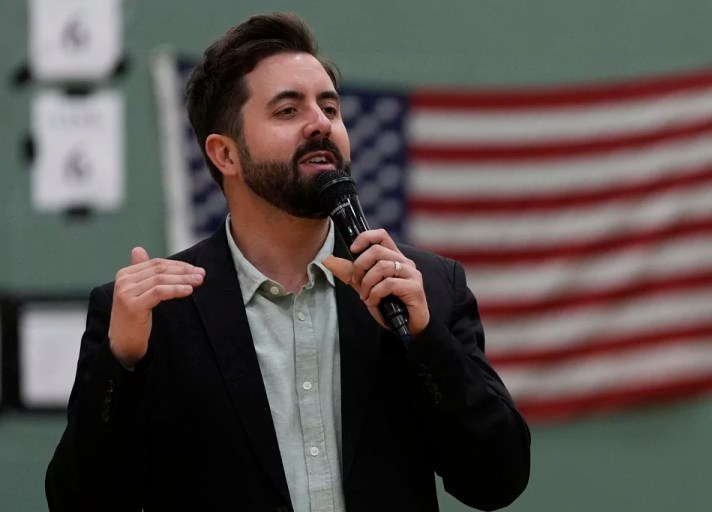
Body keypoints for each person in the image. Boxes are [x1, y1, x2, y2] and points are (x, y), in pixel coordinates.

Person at [45, 12, 530, 512]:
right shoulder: (157, 312)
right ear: (225, 155)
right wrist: (124, 364)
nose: (321, 123)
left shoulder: (425, 287)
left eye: (330, 107)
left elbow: (497, 480)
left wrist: (425, 340)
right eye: (287, 110)